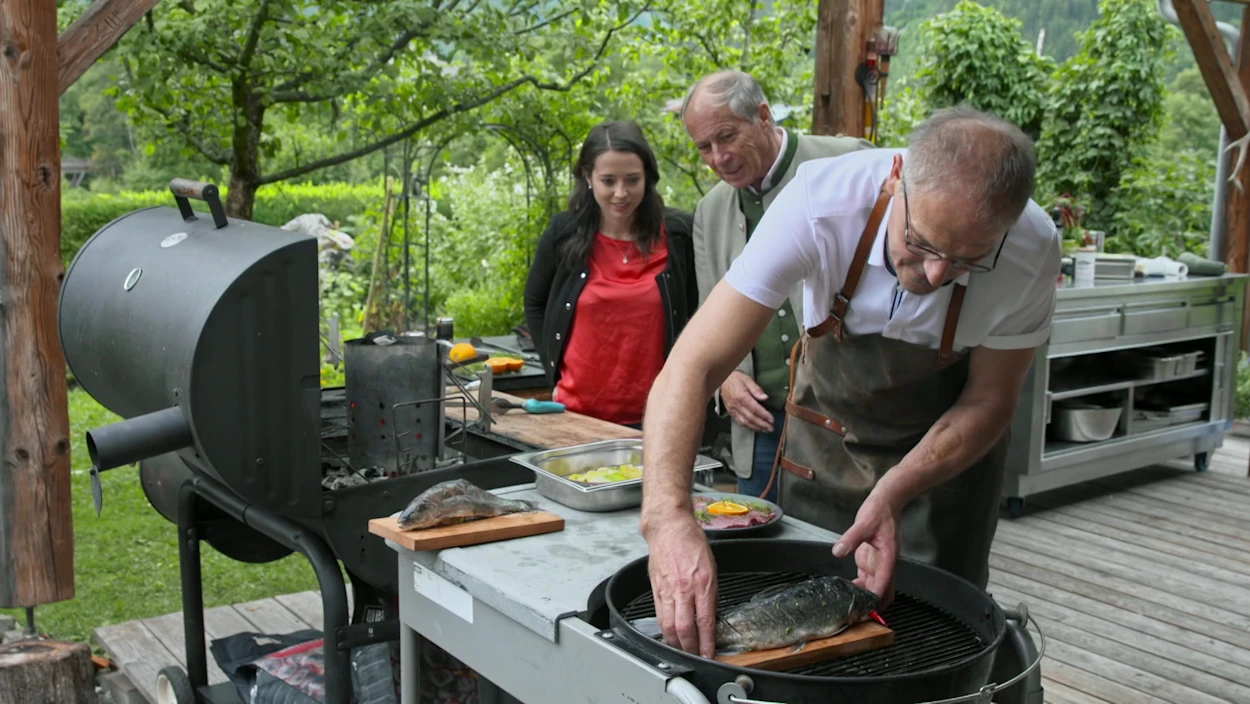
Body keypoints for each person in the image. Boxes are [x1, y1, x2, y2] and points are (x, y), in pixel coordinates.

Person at [638, 106, 1061, 658]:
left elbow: (989, 399)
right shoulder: (819, 204)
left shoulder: (1031, 248)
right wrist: (667, 519)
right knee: (797, 631)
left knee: (931, 641)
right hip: (825, 448)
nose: (936, 275)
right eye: (924, 244)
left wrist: (894, 490)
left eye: (967, 261)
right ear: (895, 179)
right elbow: (691, 368)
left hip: (945, 470)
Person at [681, 70, 875, 502]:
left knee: (850, 546)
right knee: (764, 549)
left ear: (763, 116)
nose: (718, 157)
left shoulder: (849, 163)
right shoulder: (710, 212)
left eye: (727, 137)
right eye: (703, 147)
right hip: (761, 424)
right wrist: (726, 378)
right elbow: (709, 317)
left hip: (849, 419)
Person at [524, 120, 698, 428]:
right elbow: (535, 302)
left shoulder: (679, 235)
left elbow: (700, 315)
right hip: (573, 416)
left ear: (648, 178)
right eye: (608, 181)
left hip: (658, 418)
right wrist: (553, 366)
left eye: (632, 180)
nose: (621, 193)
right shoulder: (563, 232)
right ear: (588, 178)